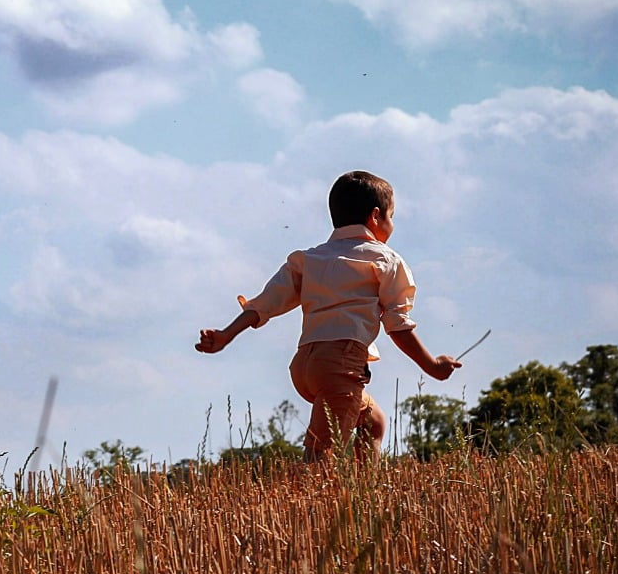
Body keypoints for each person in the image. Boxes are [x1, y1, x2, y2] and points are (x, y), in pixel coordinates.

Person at [195, 170, 459, 461]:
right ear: (375, 217)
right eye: (391, 216)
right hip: (340, 365)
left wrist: (226, 334)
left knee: (373, 422)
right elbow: (397, 325)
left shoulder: (311, 258)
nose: (392, 224)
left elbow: (265, 303)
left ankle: (361, 492)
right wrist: (432, 366)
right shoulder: (384, 259)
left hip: (305, 366)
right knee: (319, 457)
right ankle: (311, 502)